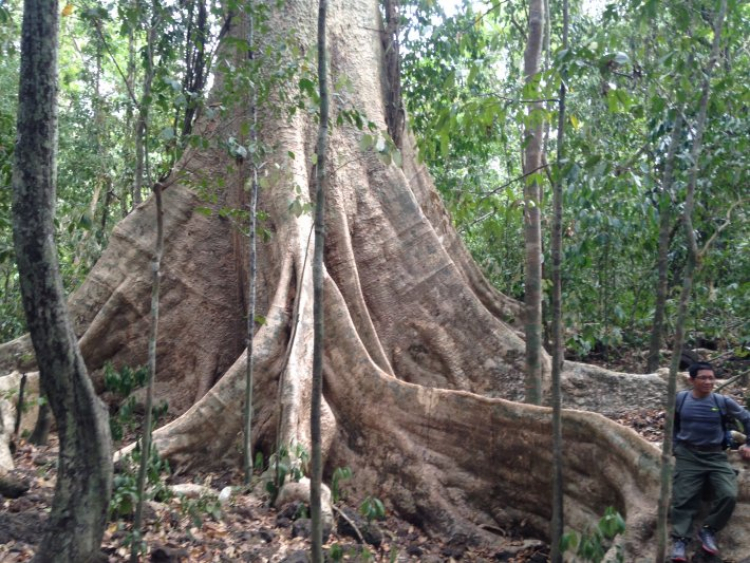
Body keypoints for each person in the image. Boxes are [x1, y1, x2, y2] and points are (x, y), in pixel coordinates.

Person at [670, 361, 750, 561]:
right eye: (703, 378)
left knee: (728, 494)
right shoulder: (680, 399)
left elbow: (747, 418)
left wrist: (748, 443)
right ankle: (681, 541)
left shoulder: (721, 401)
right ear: (691, 379)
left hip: (716, 456)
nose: (708, 381)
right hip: (688, 455)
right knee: (683, 498)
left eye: (711, 378)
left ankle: (708, 530)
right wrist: (673, 446)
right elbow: (673, 423)